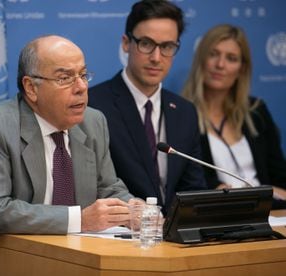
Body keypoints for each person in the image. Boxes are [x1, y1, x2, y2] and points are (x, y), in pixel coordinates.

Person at [0, 35, 134, 276]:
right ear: (31, 87)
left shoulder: (93, 122)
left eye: (83, 75)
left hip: (72, 260)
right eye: (65, 78)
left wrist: (137, 210)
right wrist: (81, 218)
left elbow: (109, 187)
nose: (81, 87)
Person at [88, 0, 207, 213]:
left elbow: (193, 188)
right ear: (126, 43)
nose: (156, 57)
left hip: (174, 237)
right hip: (119, 234)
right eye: (146, 43)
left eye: (167, 47)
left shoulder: (184, 111)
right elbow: (93, 187)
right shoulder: (93, 105)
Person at [181, 24, 286, 209]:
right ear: (201, 59)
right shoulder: (181, 114)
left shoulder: (256, 111)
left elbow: (280, 175)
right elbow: (188, 183)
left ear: (242, 68)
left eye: (231, 58)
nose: (220, 65)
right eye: (213, 54)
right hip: (219, 213)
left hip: (270, 211)